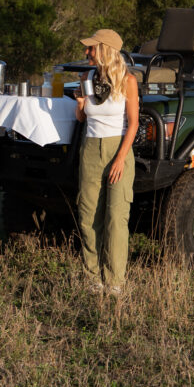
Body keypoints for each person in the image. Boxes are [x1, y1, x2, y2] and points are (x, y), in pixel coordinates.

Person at [74, 28, 139, 295]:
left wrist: (120, 159)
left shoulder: (127, 80)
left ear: (105, 50)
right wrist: (79, 107)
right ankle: (92, 277)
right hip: (90, 148)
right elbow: (82, 118)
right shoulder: (86, 77)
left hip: (118, 149)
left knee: (115, 217)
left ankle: (115, 281)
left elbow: (133, 124)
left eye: (91, 48)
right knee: (88, 215)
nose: (87, 52)